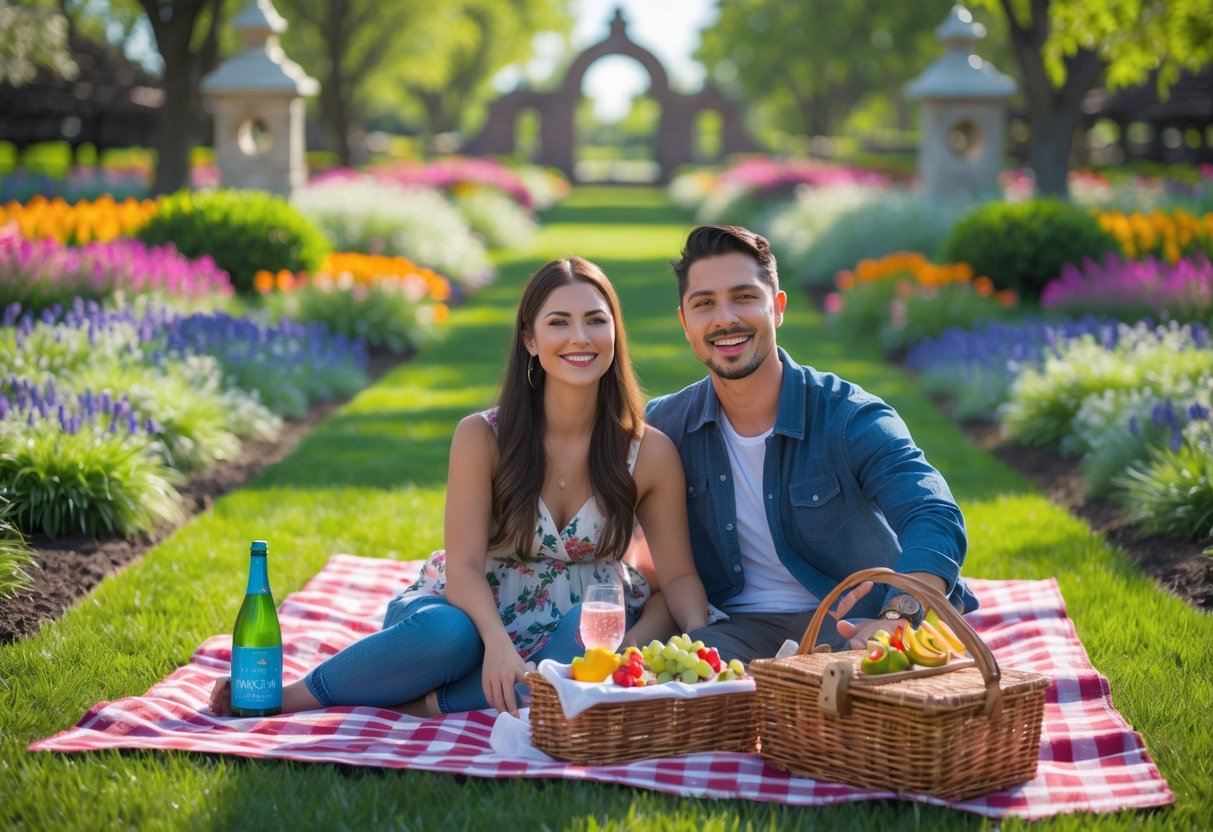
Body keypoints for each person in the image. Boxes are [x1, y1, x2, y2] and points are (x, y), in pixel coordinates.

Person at [210, 257, 709, 718]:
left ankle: (423, 702)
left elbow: (678, 579)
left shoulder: (648, 452)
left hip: (575, 627)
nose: (580, 337)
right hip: (472, 609)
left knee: (580, 653)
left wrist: (704, 650)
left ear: (616, 332)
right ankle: (287, 697)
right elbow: (464, 566)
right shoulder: (483, 436)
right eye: (558, 322)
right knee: (450, 637)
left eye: (596, 320)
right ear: (530, 339)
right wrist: (495, 641)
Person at [643, 225, 976, 663]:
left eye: (744, 297)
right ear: (686, 323)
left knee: (857, 710)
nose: (725, 318)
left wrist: (898, 616)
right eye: (705, 304)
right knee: (675, 702)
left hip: (853, 628)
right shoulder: (664, 427)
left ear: (777, 308)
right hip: (730, 632)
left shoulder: (849, 416)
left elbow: (932, 511)